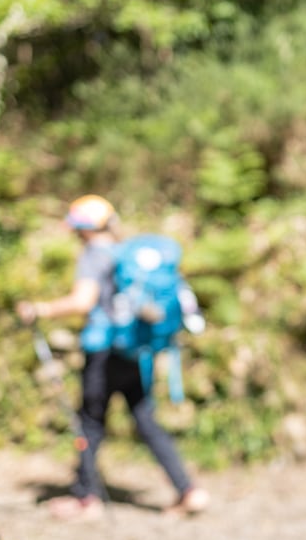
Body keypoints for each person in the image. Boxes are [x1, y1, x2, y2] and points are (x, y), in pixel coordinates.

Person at [16, 194, 209, 520]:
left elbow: (82, 301)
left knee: (90, 422)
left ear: (84, 228)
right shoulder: (125, 253)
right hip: (134, 350)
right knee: (145, 420)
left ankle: (86, 498)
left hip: (103, 351)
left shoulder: (94, 255)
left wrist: (40, 309)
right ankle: (189, 490)